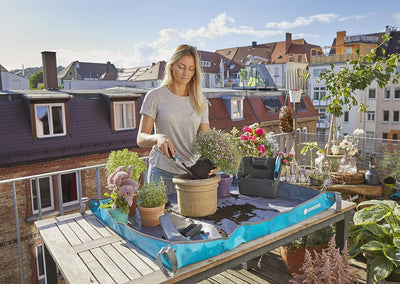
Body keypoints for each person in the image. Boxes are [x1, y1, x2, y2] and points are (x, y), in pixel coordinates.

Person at [137, 44, 210, 194]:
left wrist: (212, 159)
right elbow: (141, 139)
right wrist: (158, 138)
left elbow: (206, 139)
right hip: (161, 171)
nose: (186, 73)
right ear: (171, 66)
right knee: (159, 216)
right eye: (181, 67)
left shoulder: (200, 100)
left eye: (191, 69)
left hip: (190, 173)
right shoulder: (155, 96)